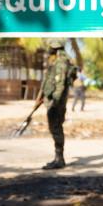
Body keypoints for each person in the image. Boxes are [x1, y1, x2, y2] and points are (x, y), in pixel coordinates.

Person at [32, 40, 73, 169]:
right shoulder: (58, 62)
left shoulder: (61, 63)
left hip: (56, 102)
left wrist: (55, 101)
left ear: (55, 48)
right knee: (55, 128)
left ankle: (59, 159)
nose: (48, 50)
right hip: (55, 101)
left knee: (56, 128)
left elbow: (60, 85)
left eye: (50, 47)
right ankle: (58, 158)